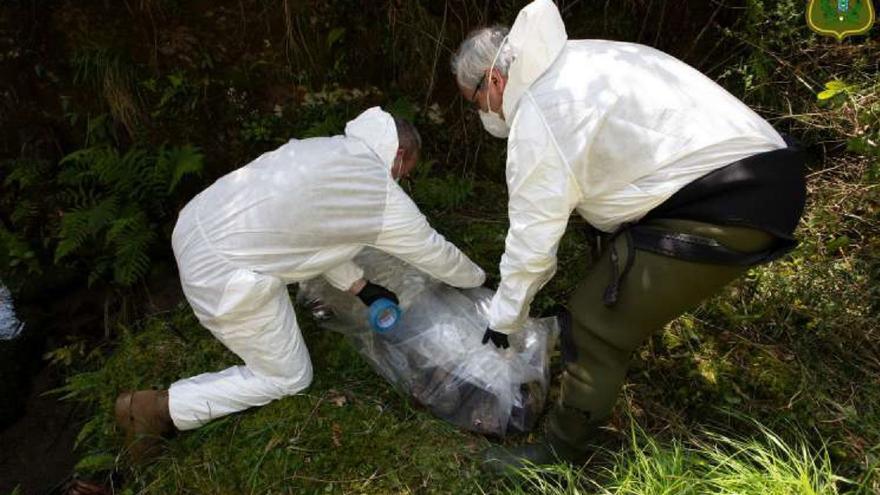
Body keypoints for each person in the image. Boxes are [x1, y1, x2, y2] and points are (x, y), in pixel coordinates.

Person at [451, 0, 806, 468]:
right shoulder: (583, 58)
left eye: (476, 101)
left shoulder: (540, 115)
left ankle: (559, 453)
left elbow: (531, 246)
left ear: (494, 81)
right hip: (763, 175)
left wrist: (504, 320)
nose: (484, 113)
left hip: (723, 202)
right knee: (611, 285)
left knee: (593, 328)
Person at [114, 107, 486, 458]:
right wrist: (481, 281)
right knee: (289, 377)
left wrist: (360, 286)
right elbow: (435, 254)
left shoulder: (325, 150)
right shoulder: (379, 192)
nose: (401, 180)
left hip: (195, 224)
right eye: (405, 171)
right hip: (223, 276)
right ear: (400, 154)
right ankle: (157, 409)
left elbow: (315, 234)